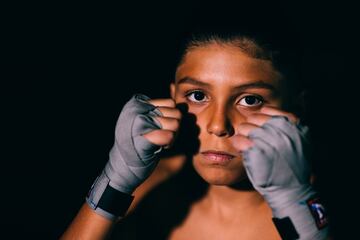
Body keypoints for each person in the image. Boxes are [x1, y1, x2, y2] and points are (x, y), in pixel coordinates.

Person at [60, 5, 331, 240]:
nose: (217, 125)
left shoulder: (335, 196)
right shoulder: (147, 191)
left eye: (249, 100)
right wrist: (114, 182)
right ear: (173, 95)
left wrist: (300, 211)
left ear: (295, 106)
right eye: (198, 95)